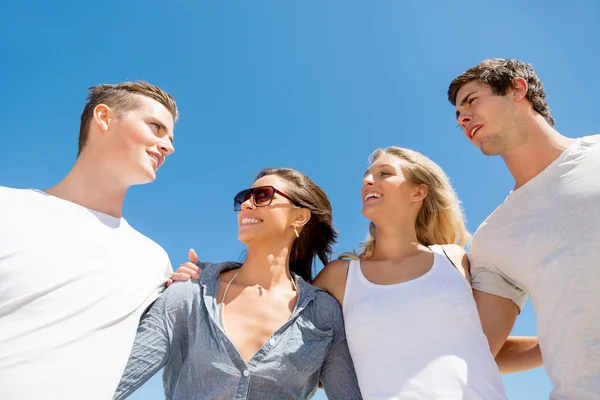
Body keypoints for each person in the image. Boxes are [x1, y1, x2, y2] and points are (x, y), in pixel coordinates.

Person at [175, 149, 541, 399]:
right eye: (366, 175)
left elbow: (481, 349)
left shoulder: (455, 259)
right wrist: (208, 279)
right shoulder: (340, 278)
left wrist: (557, 346)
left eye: (384, 174)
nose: (368, 180)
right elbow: (278, 320)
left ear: (419, 191)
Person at [114, 168, 362, 400]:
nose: (245, 204)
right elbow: (111, 383)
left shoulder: (323, 315)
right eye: (244, 197)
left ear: (299, 217)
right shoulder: (189, 293)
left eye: (262, 196)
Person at [0, 82, 179, 400]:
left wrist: (183, 288)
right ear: (104, 118)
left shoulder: (154, 263)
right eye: (155, 127)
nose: (168, 146)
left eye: (170, 137)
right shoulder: (7, 208)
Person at [449, 58, 600, 399]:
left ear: (518, 88)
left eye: (471, 100)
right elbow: (477, 349)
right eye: (458, 116)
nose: (462, 117)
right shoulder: (492, 236)